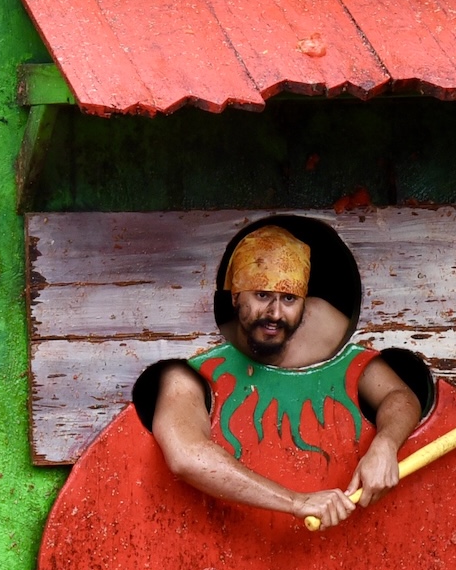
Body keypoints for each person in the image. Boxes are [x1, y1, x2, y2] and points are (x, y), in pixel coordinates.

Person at [131, 215, 433, 531]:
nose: (275, 314)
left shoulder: (327, 337)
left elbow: (398, 396)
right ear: (235, 296)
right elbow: (186, 455)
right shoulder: (189, 370)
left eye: (289, 299)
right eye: (262, 295)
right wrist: (296, 502)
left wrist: (386, 444)